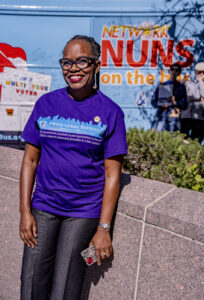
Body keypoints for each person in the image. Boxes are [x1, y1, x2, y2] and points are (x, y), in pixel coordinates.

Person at [19, 35, 127, 300]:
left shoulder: (111, 112)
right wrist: (24, 211)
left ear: (97, 65)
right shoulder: (46, 104)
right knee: (31, 282)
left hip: (83, 213)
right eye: (67, 62)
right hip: (43, 207)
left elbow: (112, 174)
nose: (74, 68)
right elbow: (30, 160)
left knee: (66, 288)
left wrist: (104, 228)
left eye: (82, 61)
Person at [151, 63, 187, 132]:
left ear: (179, 73)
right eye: (172, 69)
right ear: (169, 71)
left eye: (176, 70)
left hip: (174, 118)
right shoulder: (161, 85)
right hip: (161, 117)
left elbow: (184, 105)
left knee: (172, 139)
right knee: (158, 139)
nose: (174, 72)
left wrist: (175, 102)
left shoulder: (181, 87)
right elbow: (153, 101)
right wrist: (160, 104)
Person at [180, 62, 204, 143]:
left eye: (203, 72)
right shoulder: (188, 84)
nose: (201, 74)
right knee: (183, 139)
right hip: (186, 116)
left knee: (197, 140)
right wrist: (199, 98)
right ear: (195, 72)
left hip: (200, 117)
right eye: (199, 72)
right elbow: (187, 98)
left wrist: (201, 82)